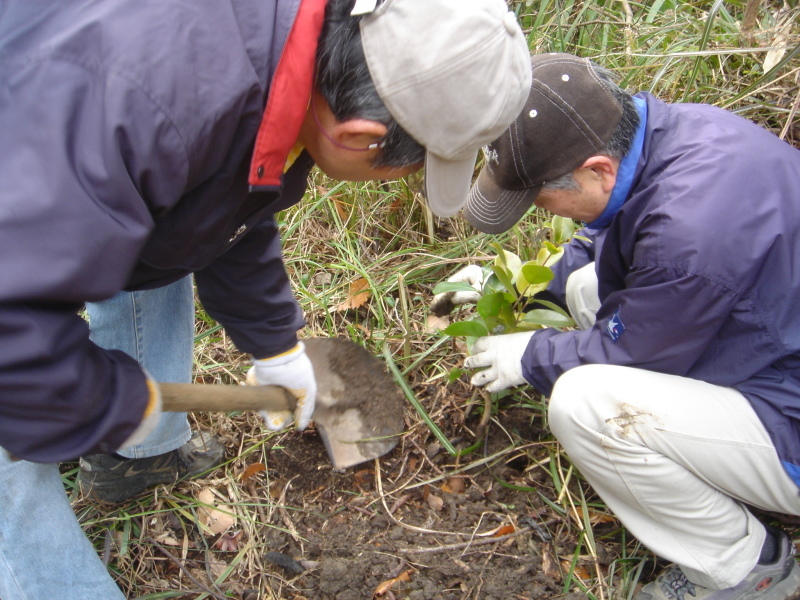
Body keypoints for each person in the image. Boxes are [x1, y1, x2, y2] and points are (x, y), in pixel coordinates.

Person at [0, 1, 532, 597]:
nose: (404, 181)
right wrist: (113, 399)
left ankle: (138, 458)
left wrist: (275, 343)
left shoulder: (275, 49)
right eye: (407, 170)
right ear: (358, 136)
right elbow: (11, 346)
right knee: (11, 484)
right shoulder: (146, 106)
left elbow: (223, 197)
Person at [435, 52, 800, 600]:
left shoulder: (689, 236)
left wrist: (533, 355)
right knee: (587, 283)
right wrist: (508, 288)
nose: (538, 209)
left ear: (597, 169)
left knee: (587, 406)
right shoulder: (677, 134)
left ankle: (745, 570)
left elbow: (635, 354)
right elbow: (612, 233)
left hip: (790, 418)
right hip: (773, 335)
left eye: (539, 196)